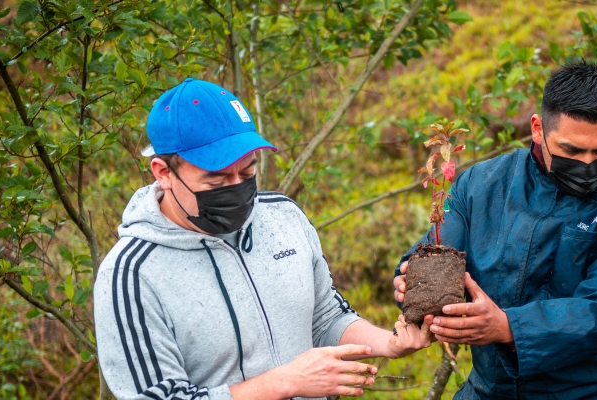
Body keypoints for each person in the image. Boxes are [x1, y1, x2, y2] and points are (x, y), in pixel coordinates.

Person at [94, 78, 433, 400]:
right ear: (164, 172)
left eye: (247, 172)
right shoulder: (132, 276)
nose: (237, 188)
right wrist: (285, 382)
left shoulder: (282, 217)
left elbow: (326, 317)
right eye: (216, 179)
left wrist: (390, 343)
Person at [392, 61, 597, 398]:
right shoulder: (482, 184)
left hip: (589, 393)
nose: (587, 164)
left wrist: (507, 327)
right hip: (489, 389)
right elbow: (438, 249)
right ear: (538, 129)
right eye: (571, 149)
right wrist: (410, 279)